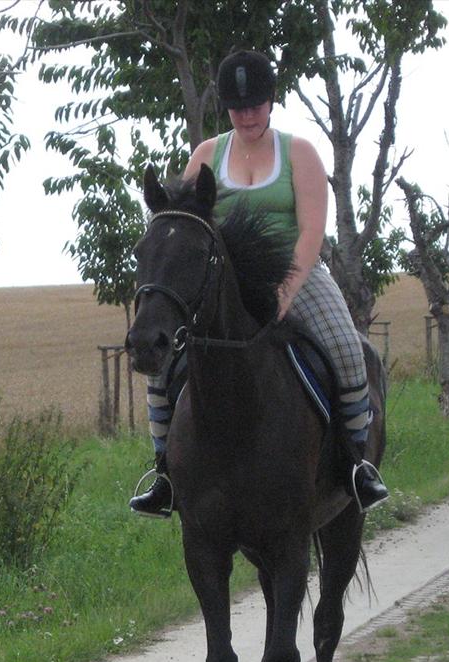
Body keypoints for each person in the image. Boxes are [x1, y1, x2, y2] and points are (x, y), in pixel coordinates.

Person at [129, 49, 389, 518]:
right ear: (226, 107)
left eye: (255, 105)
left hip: (297, 274)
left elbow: (311, 231)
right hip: (227, 284)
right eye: (237, 107)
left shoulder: (300, 152)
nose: (247, 115)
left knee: (349, 351)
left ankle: (356, 465)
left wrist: (285, 292)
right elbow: (187, 221)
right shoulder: (207, 155)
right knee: (164, 364)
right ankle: (166, 474)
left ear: (271, 102)